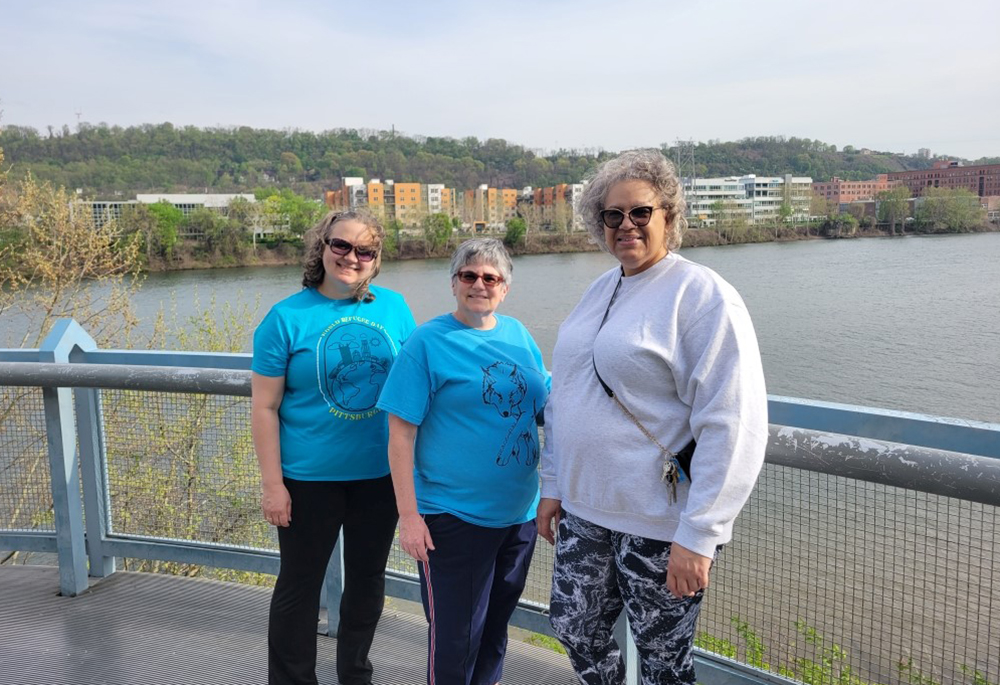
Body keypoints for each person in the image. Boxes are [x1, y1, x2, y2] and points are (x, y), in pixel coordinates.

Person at [537, 149, 768, 685]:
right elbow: (565, 398)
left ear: (668, 214)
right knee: (574, 628)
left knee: (664, 663)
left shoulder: (701, 294)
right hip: (585, 513)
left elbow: (733, 421)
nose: (626, 225)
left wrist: (700, 535)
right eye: (612, 215)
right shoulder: (602, 288)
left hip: (659, 525)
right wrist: (552, 485)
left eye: (640, 212)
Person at [251, 210, 416, 685]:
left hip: (379, 477)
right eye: (341, 245)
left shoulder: (395, 308)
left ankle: (354, 674)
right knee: (299, 589)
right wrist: (273, 485)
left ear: (376, 260)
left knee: (367, 583)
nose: (351, 257)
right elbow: (265, 408)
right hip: (308, 479)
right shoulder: (285, 318)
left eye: (365, 251)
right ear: (321, 247)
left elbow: (417, 385)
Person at [376, 238, 550, 685]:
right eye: (468, 275)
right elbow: (400, 434)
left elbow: (548, 405)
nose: (479, 284)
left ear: (505, 287)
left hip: (519, 517)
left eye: (490, 278)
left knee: (493, 631)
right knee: (456, 639)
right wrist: (410, 516)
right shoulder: (428, 343)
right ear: (453, 283)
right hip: (453, 519)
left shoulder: (519, 335)